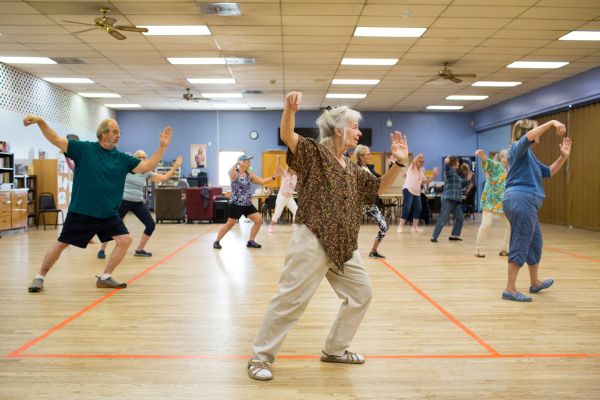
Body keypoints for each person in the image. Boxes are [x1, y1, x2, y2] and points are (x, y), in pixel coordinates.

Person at [247, 91, 409, 381]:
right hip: (312, 236)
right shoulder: (314, 153)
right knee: (291, 299)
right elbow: (287, 134)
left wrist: (398, 164)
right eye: (354, 127)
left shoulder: (353, 170)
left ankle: (335, 349)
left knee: (361, 294)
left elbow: (379, 189)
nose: (359, 133)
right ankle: (260, 357)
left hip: (345, 245)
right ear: (338, 130)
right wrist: (288, 110)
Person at [25, 116, 173, 292]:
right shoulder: (84, 149)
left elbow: (148, 165)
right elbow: (56, 139)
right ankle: (40, 276)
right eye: (115, 131)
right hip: (82, 211)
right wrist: (41, 122)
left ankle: (105, 277)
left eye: (119, 132)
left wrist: (162, 147)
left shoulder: (122, 159)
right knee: (61, 244)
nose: (119, 135)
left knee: (125, 240)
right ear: (103, 134)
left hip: (108, 213)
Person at [501, 119, 571, 302]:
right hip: (521, 200)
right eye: (536, 129)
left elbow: (548, 171)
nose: (538, 133)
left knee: (535, 242)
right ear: (526, 132)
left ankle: (535, 282)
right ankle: (510, 289)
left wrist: (563, 156)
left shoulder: (529, 155)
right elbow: (528, 137)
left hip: (526, 203)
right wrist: (552, 123)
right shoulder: (517, 148)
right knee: (521, 241)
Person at [98, 151, 183, 259]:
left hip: (137, 202)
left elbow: (164, 178)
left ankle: (139, 249)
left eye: (144, 157)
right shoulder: (127, 169)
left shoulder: (147, 171)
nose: (142, 159)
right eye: (140, 157)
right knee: (112, 225)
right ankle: (102, 249)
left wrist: (175, 166)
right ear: (134, 158)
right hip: (123, 201)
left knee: (151, 225)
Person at [213, 154, 278, 249]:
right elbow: (228, 172)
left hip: (247, 204)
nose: (250, 163)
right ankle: (217, 241)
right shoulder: (235, 173)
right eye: (248, 161)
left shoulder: (249, 174)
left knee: (258, 220)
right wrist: (236, 163)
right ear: (242, 162)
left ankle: (250, 241)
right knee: (230, 224)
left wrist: (273, 177)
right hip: (236, 203)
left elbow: (261, 181)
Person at [474, 149, 510, 258]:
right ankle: (477, 249)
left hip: (500, 202)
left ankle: (504, 248)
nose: (511, 157)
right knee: (487, 224)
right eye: (508, 155)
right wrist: (482, 155)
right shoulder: (496, 165)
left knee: (511, 225)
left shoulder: (508, 169)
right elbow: (488, 162)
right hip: (489, 199)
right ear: (502, 158)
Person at [354, 144, 389, 258]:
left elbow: (382, 180)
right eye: (367, 154)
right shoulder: (354, 168)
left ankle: (373, 251)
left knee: (384, 226)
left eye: (370, 153)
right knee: (350, 228)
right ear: (360, 156)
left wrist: (391, 165)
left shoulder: (370, 169)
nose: (370, 156)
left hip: (370, 204)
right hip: (356, 204)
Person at [430, 156, 464, 242]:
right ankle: (434, 237)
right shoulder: (450, 171)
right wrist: (447, 162)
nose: (459, 163)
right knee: (443, 218)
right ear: (453, 163)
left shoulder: (455, 173)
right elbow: (447, 168)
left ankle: (454, 235)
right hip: (448, 199)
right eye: (457, 162)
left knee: (460, 217)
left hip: (455, 200)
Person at [398, 154, 428, 232]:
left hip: (417, 192)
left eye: (422, 162)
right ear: (417, 161)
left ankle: (414, 227)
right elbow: (413, 162)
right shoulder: (412, 167)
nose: (421, 163)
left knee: (419, 208)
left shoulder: (421, 171)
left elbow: (425, 181)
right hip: (408, 189)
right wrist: (419, 156)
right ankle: (400, 226)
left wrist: (434, 176)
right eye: (420, 161)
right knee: (407, 207)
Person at [268, 155, 297, 233]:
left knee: (296, 211)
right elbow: (278, 168)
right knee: (278, 212)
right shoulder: (285, 173)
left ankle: (294, 226)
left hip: (290, 197)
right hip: (282, 196)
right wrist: (278, 159)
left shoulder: (295, 177)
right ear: (290, 168)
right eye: (294, 168)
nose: (295, 170)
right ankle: (271, 226)